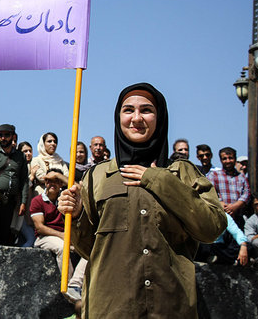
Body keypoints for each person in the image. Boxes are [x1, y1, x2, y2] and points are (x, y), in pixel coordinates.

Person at [58, 83, 226, 318]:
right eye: (128, 110)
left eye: (146, 110)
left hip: (170, 307)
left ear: (160, 118)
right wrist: (77, 217)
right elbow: (92, 251)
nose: (136, 118)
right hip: (110, 308)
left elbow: (212, 228)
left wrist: (160, 181)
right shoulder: (97, 176)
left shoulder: (182, 173)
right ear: (118, 118)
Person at [0, 124, 29, 245]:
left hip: (11, 198)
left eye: (6, 135)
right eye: (0, 135)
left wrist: (23, 202)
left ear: (13, 136)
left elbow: (24, 180)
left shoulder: (21, 156)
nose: (3, 138)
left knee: (4, 233)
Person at [207, 147, 250, 227]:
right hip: (220, 217)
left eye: (230, 158)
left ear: (235, 159)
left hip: (237, 218)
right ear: (220, 160)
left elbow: (246, 194)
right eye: (224, 159)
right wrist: (222, 205)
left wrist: (234, 206)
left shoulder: (242, 177)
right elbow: (211, 193)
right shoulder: (214, 175)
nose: (228, 161)